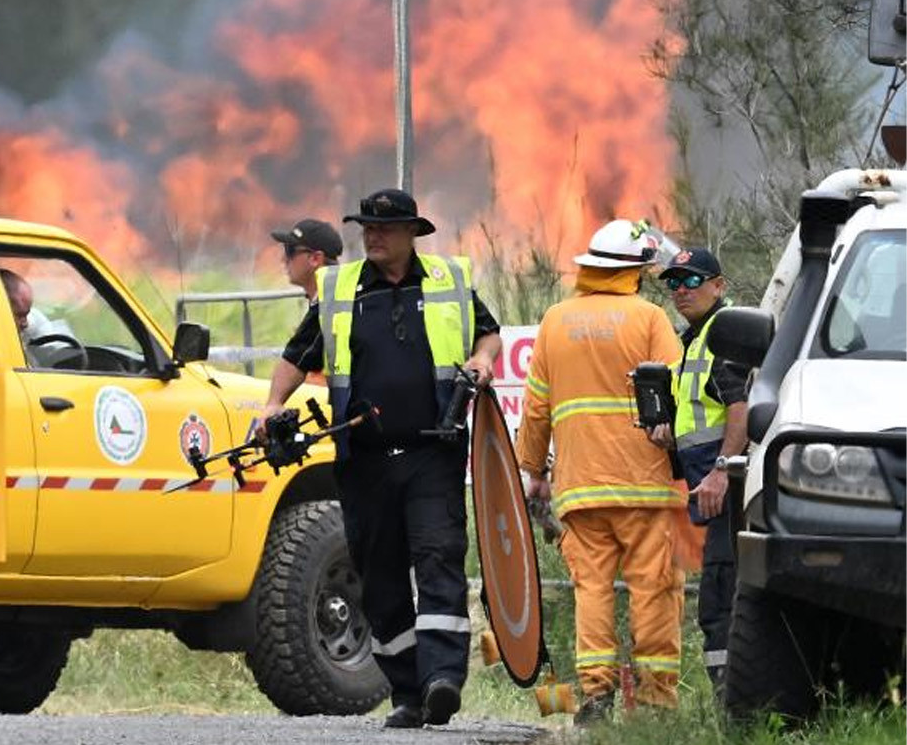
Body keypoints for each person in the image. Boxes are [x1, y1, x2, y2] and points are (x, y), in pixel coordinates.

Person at [263, 189, 502, 729]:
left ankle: (442, 678)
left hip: (432, 452)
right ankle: (408, 692)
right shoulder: (339, 290)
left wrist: (482, 361)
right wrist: (273, 404)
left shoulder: (449, 281)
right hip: (364, 460)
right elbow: (295, 357)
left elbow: (488, 333)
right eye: (365, 227)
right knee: (381, 577)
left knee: (439, 558)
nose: (371, 235)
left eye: (383, 228)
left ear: (412, 233)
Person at [515, 219, 686, 724]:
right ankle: (656, 701)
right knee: (653, 588)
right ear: (634, 270)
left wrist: (533, 471)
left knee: (591, 591)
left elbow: (537, 408)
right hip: (645, 485)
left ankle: (596, 696)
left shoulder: (555, 321)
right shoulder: (650, 319)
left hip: (580, 487)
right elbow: (676, 398)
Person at [646, 247, 748, 695]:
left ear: (719, 285)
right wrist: (670, 434)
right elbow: (704, 415)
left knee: (720, 602)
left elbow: (740, 408)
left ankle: (736, 708)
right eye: (672, 283)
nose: (680, 291)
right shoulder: (694, 338)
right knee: (721, 598)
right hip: (714, 490)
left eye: (691, 281)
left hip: (733, 490)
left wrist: (723, 469)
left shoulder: (722, 336)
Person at [270, 217, 343, 302]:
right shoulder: (326, 302)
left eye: (290, 250)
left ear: (315, 259)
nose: (284, 259)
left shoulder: (336, 306)